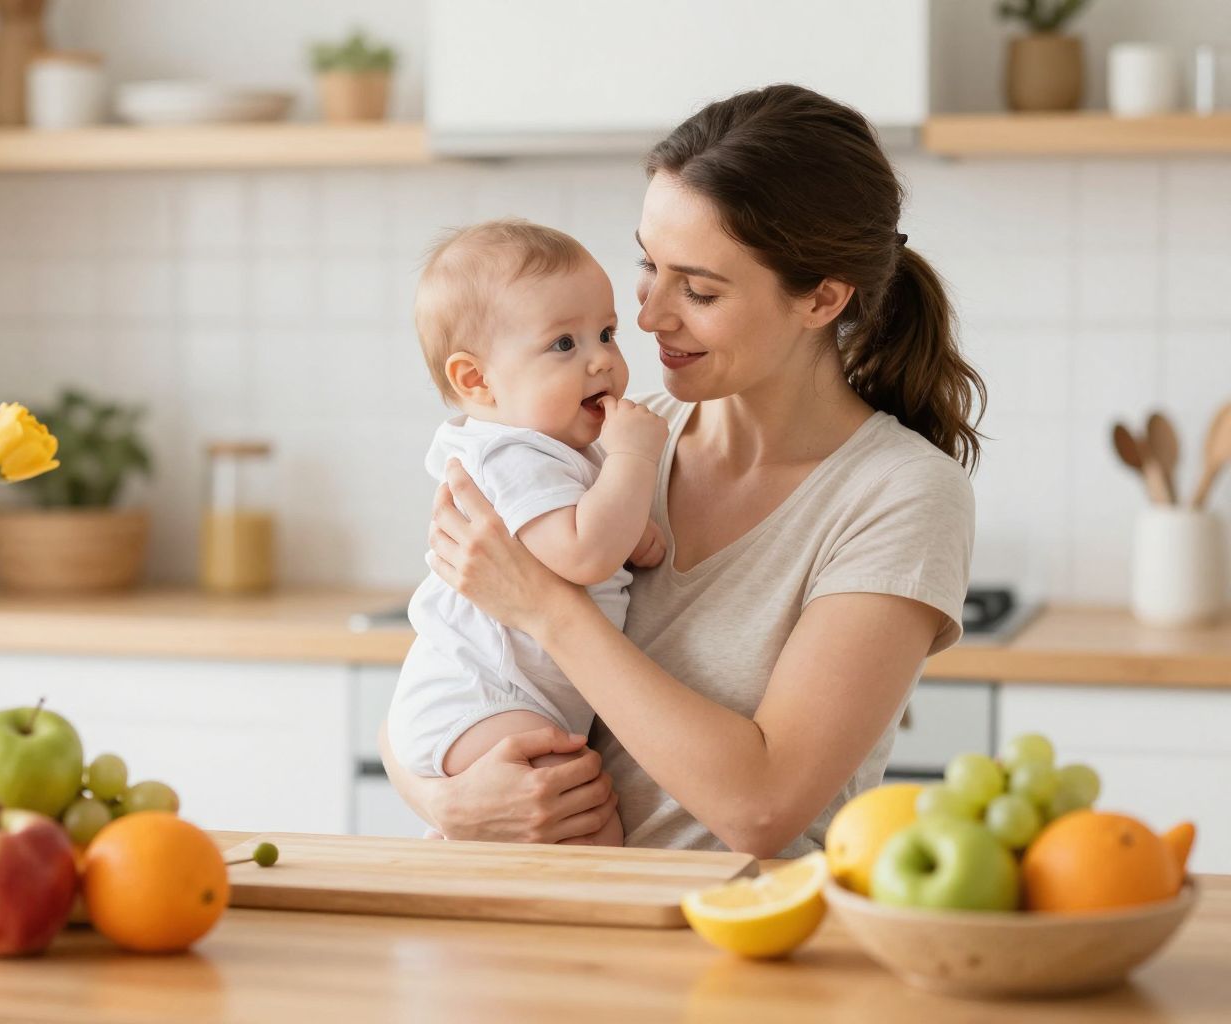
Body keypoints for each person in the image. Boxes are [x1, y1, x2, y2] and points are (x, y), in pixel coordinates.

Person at [380, 83, 985, 858]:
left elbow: (763, 809)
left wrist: (547, 608)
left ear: (822, 299)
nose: (648, 315)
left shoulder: (899, 494)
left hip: (741, 947)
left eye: (698, 289)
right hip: (550, 937)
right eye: (649, 266)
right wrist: (449, 800)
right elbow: (444, 669)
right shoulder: (600, 434)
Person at [387, 219, 671, 847]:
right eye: (562, 345)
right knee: (582, 821)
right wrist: (634, 464)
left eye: (606, 333)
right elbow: (585, 552)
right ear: (476, 381)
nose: (601, 358)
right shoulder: (507, 456)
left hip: (510, 696)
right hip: (479, 697)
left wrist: (631, 523)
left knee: (570, 820)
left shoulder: (559, 446)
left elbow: (594, 533)